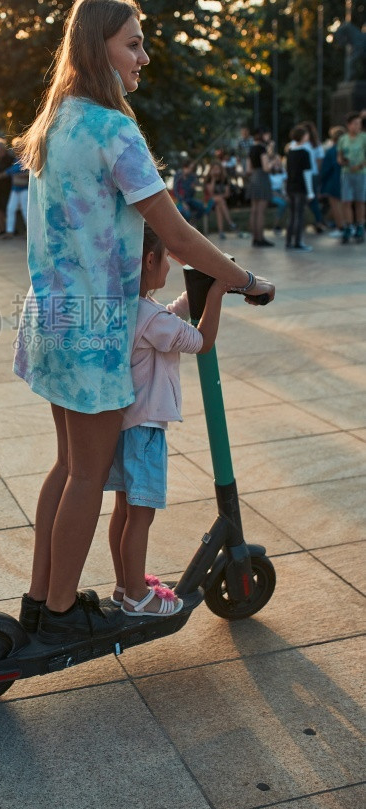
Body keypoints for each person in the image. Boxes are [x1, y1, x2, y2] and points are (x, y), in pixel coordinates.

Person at [12, 0, 274, 645]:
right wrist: (242, 279)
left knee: (67, 467)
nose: (143, 56)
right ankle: (66, 614)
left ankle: (43, 600)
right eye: (132, 43)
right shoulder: (111, 127)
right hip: (97, 325)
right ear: (97, 47)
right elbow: (177, 235)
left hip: (52, 318)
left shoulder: (56, 122)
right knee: (89, 474)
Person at [106, 224, 226, 616]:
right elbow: (201, 340)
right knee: (141, 515)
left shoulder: (128, 305)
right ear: (150, 259)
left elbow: (169, 314)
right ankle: (139, 597)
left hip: (123, 425)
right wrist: (219, 292)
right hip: (145, 429)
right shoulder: (151, 318)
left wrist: (197, 294)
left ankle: (125, 586)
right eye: (166, 260)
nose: (171, 268)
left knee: (124, 510)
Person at [337, 111, 366, 244]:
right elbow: (339, 155)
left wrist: (360, 166)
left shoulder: (364, 137)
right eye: (355, 124)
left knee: (360, 201)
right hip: (347, 173)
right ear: (349, 125)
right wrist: (342, 161)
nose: (358, 126)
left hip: (361, 173)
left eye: (359, 124)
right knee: (346, 201)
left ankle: (360, 225)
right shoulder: (343, 139)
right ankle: (348, 226)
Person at [285, 125, 313, 251]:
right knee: (299, 215)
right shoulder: (305, 152)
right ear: (302, 136)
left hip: (290, 187)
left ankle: (288, 241)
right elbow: (307, 173)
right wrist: (310, 191)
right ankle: (298, 242)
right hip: (300, 188)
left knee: (292, 215)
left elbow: (287, 170)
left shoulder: (290, 151)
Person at [246, 129, 274, 247]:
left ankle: (254, 238)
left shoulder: (251, 149)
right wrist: (273, 162)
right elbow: (266, 167)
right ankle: (260, 238)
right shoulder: (262, 148)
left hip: (253, 179)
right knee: (261, 212)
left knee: (254, 210)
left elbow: (248, 169)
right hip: (262, 179)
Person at [317, 127, 345, 238]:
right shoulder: (345, 150)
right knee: (344, 205)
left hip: (333, 181)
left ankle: (340, 227)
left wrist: (321, 181)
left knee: (335, 205)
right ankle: (347, 226)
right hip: (345, 179)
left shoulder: (331, 151)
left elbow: (326, 169)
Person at [1, 136, 29, 239]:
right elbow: (10, 171)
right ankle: (9, 231)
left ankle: (29, 232)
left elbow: (30, 173)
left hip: (24, 188)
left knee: (26, 211)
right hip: (15, 189)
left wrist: (18, 175)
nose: (16, 149)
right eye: (15, 147)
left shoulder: (27, 158)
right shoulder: (16, 159)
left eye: (18, 147)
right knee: (10, 209)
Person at [303, 121, 328, 233]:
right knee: (309, 200)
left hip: (310, 175)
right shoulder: (315, 144)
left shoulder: (314, 144)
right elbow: (319, 162)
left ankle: (318, 221)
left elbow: (319, 162)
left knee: (310, 199)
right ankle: (318, 221)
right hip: (312, 174)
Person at [203, 161, 236, 238]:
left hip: (220, 203)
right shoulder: (208, 179)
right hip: (210, 203)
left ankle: (221, 232)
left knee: (218, 206)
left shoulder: (225, 180)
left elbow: (227, 194)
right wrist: (213, 179)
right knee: (220, 200)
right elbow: (210, 193)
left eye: (217, 169)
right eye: (214, 169)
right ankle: (230, 223)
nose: (216, 171)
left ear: (221, 170)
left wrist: (218, 197)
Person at [0, 137, 14, 235]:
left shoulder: (10, 159)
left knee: (6, 208)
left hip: (8, 187)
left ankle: (10, 229)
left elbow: (11, 172)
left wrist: (1, 175)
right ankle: (1, 228)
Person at [173, 160, 204, 225]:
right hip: (180, 201)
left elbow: (192, 194)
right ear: (184, 167)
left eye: (192, 169)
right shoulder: (178, 176)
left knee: (201, 206)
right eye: (189, 168)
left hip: (189, 199)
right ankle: (186, 227)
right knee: (186, 213)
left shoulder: (192, 177)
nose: (190, 170)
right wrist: (183, 202)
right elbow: (176, 191)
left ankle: (193, 222)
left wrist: (193, 188)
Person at [268, 153, 287, 233]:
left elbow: (285, 184)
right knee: (282, 204)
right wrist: (281, 196)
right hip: (272, 194)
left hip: (281, 192)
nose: (277, 162)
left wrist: (284, 194)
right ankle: (275, 225)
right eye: (275, 161)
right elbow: (270, 189)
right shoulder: (269, 173)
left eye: (278, 161)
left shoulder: (283, 171)